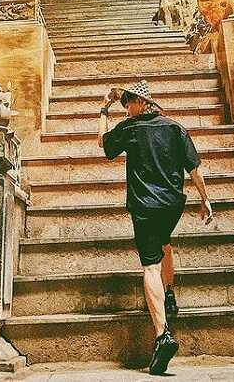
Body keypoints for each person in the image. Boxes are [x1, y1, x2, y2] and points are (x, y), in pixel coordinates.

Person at [98, 80, 213, 375]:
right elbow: (194, 167)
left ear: (140, 103)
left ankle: (162, 335)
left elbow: (102, 143)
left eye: (128, 105)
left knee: (149, 266)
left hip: (145, 206)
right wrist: (205, 199)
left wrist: (103, 109)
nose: (126, 110)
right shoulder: (174, 127)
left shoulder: (131, 128)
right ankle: (170, 291)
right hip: (172, 204)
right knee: (164, 243)